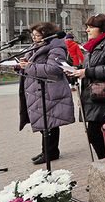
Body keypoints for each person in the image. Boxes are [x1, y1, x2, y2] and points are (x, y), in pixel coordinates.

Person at [19, 22, 75, 165]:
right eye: (33, 35)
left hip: (49, 90)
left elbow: (54, 69)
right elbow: (31, 66)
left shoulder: (56, 48)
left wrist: (30, 67)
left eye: (38, 35)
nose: (34, 38)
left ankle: (51, 152)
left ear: (47, 35)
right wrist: (21, 66)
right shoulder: (35, 47)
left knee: (50, 122)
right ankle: (46, 151)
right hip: (38, 90)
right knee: (44, 123)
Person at [74, 14, 105, 160]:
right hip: (95, 95)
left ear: (102, 29)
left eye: (91, 27)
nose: (87, 30)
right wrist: (78, 71)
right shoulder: (95, 44)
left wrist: (87, 72)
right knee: (97, 134)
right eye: (87, 27)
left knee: (102, 134)